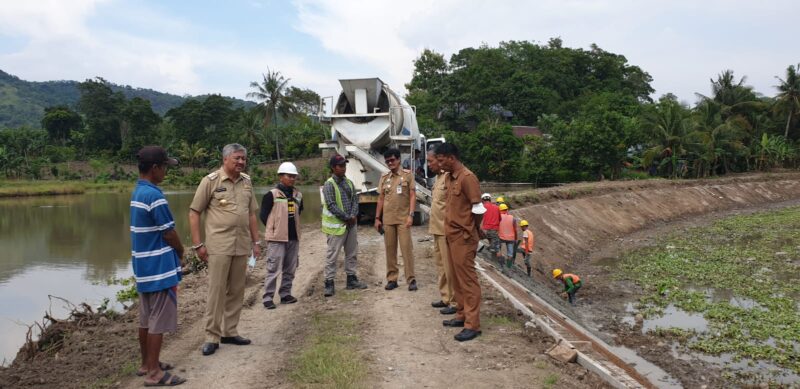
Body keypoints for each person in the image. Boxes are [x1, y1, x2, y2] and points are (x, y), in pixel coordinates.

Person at [189, 143, 262, 356]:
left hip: (241, 244)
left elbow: (251, 215)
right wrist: (197, 245)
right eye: (237, 158)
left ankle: (230, 331)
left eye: (243, 159)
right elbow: (194, 213)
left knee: (237, 290)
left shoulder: (247, 182)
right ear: (225, 159)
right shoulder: (210, 181)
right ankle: (212, 336)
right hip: (218, 246)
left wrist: (256, 243)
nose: (241, 162)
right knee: (217, 290)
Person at [130, 146, 187, 386]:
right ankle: (155, 373)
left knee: (146, 319)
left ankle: (147, 364)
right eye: (164, 167)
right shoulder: (155, 196)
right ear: (155, 168)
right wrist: (182, 252)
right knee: (157, 321)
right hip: (159, 267)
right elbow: (169, 233)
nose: (166, 171)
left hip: (143, 267)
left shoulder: (138, 192)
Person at [435, 142, 486, 342]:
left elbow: (478, 208)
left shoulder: (467, 178)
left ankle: (472, 325)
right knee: (456, 278)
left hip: (464, 237)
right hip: (451, 235)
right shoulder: (449, 178)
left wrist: (473, 229)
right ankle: (461, 314)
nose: (439, 164)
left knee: (467, 280)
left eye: (441, 160)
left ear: (451, 158)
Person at [322, 154, 368, 297]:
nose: (344, 168)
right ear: (333, 168)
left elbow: (355, 199)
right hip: (337, 227)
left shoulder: (348, 183)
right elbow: (331, 205)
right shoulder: (329, 184)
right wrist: (347, 218)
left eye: (344, 165)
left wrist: (353, 216)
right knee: (332, 255)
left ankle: (351, 279)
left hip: (350, 225)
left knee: (352, 253)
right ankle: (329, 283)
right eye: (340, 166)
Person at [259, 162, 303, 310]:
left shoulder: (298, 194)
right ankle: (268, 298)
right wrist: (275, 229)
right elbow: (263, 216)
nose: (292, 179)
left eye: (294, 176)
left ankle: (285, 294)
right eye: (289, 176)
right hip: (277, 239)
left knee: (290, 268)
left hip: (293, 237)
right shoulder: (271, 195)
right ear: (280, 176)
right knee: (273, 269)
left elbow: (299, 212)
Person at [374, 148, 417, 291]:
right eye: (387, 161)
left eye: (392, 160)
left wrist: (411, 215)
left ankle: (411, 279)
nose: (390, 163)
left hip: (403, 219)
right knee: (390, 250)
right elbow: (380, 199)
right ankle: (392, 279)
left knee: (406, 250)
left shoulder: (408, 175)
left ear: (398, 159)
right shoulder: (384, 177)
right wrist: (377, 218)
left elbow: (412, 196)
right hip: (388, 220)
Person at [426, 150, 456, 315]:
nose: (429, 165)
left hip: (446, 230)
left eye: (431, 161)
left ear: (439, 160)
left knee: (449, 267)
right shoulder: (437, 179)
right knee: (440, 266)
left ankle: (454, 300)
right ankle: (445, 297)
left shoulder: (448, 177)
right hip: (436, 229)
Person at [497, 204, 520, 269]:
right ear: (507, 210)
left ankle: (500, 264)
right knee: (510, 254)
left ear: (499, 210)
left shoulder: (499, 216)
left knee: (498, 249)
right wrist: (515, 238)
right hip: (511, 238)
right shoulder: (513, 218)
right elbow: (515, 230)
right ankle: (508, 267)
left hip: (500, 237)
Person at [480, 193, 501, 261]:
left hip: (483, 230)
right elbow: (500, 219)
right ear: (490, 199)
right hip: (493, 230)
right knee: (497, 248)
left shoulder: (481, 207)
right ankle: (497, 262)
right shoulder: (497, 207)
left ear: (482, 200)